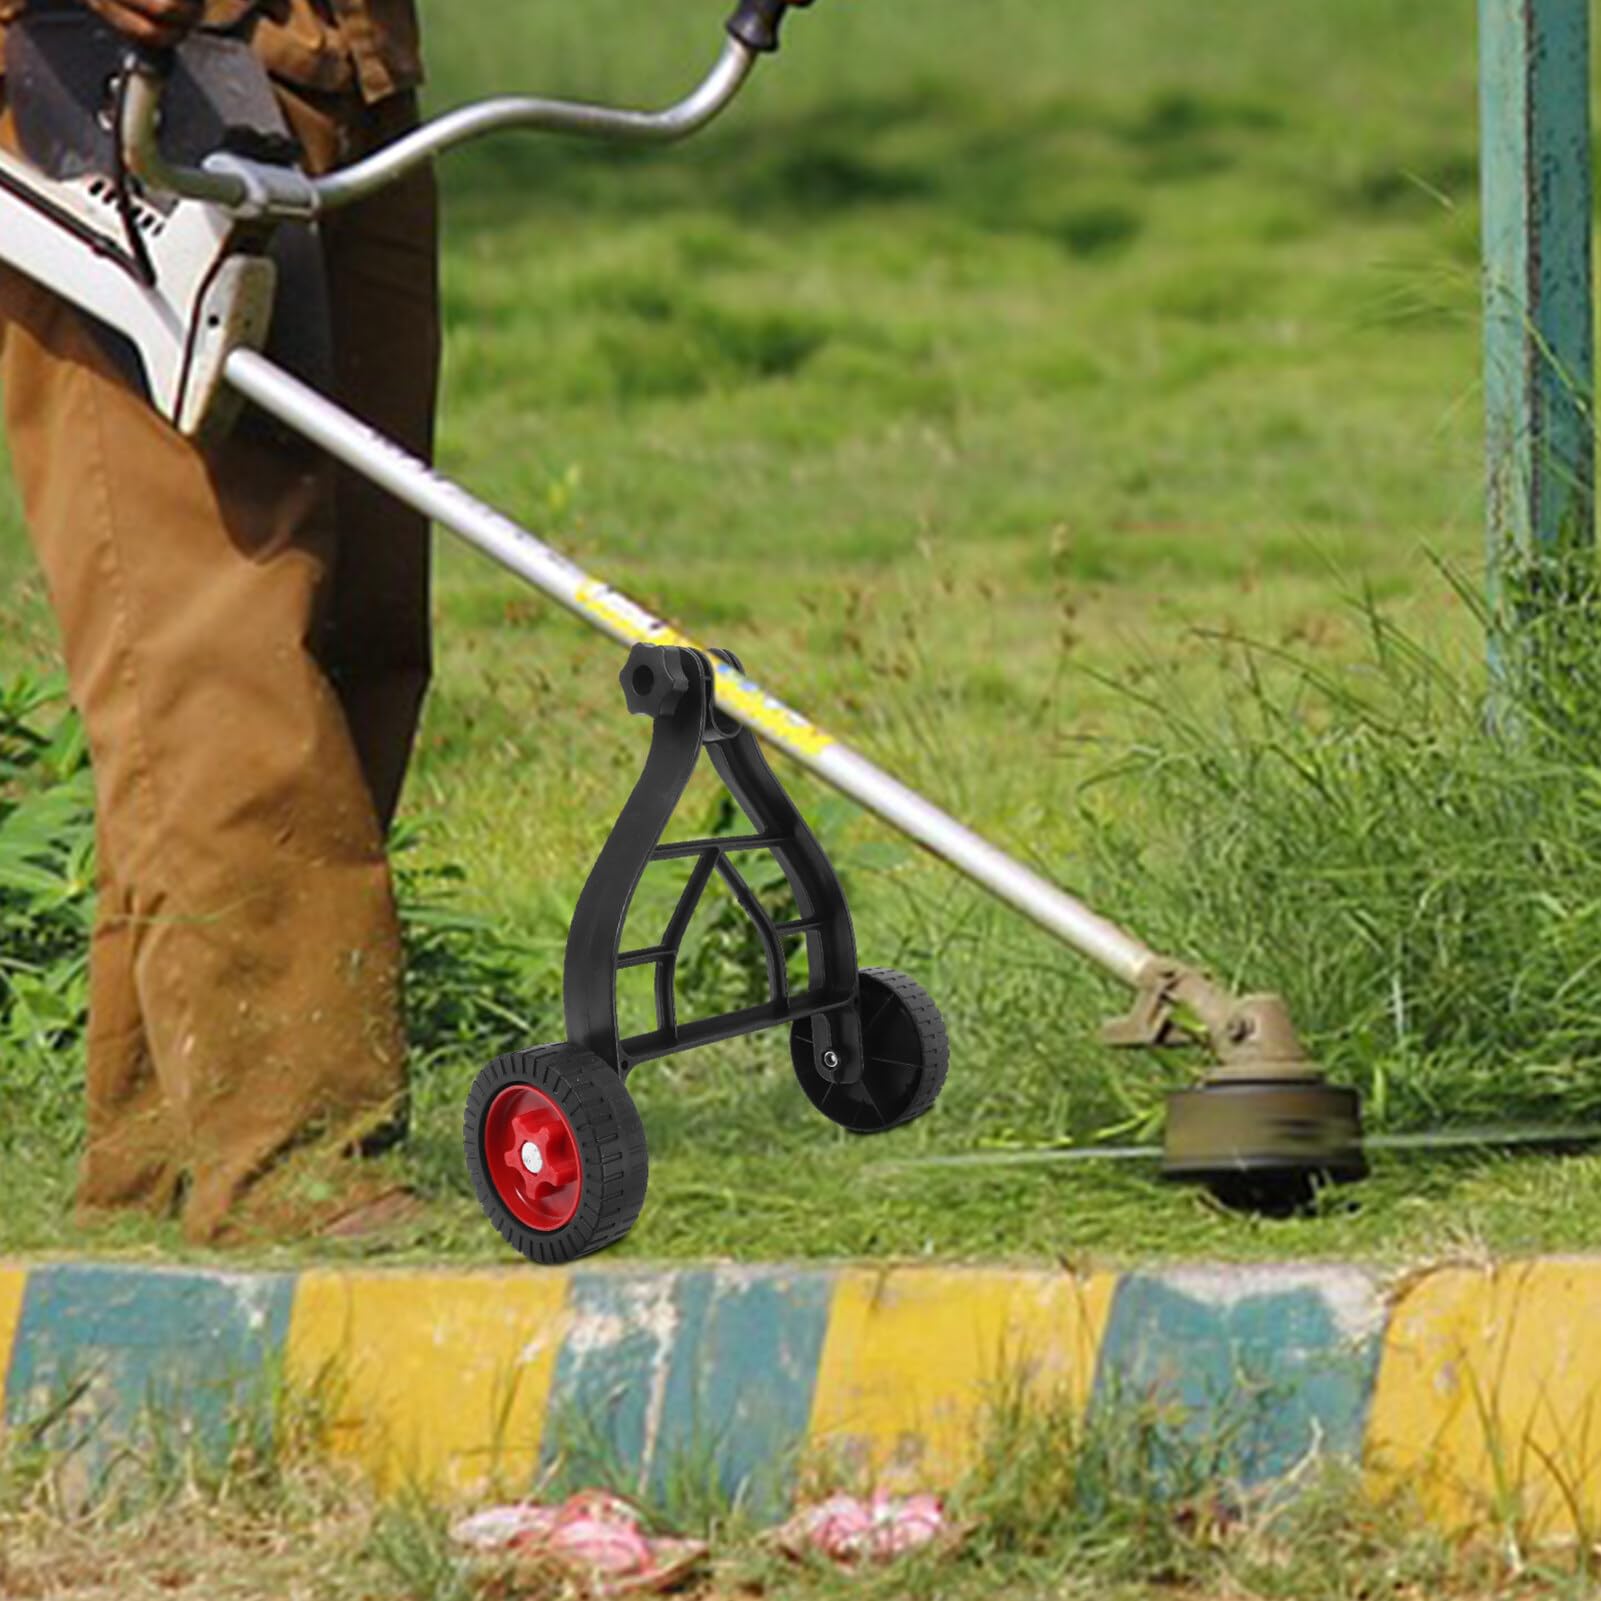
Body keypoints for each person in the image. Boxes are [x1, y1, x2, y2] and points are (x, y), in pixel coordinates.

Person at [0, 0, 439, 1243]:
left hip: (341, 76)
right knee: (217, 645)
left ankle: (150, 1167)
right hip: (96, 87)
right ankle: (294, 1159)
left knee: (358, 639)